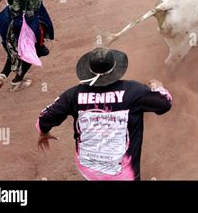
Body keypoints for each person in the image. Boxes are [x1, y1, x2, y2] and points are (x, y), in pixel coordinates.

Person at [36, 47, 172, 180]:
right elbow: (164, 104)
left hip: (89, 170)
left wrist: (44, 131)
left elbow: (46, 117)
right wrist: (158, 87)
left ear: (88, 71)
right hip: (124, 173)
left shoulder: (73, 94)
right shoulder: (134, 91)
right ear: (116, 69)